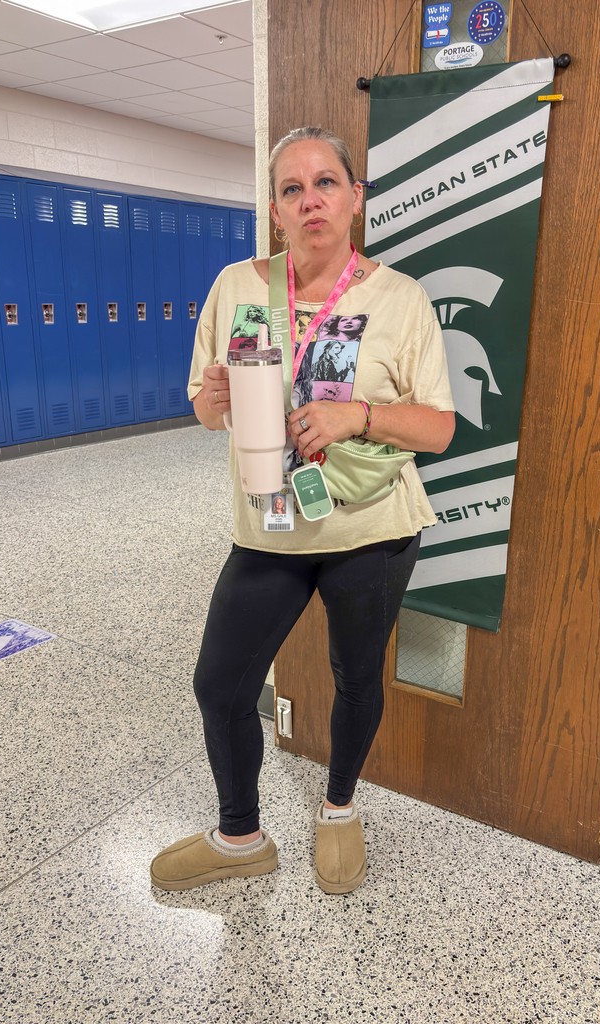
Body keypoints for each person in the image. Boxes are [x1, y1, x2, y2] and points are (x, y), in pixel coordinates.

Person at [150, 126, 455, 896]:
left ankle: (340, 808)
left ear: (356, 198)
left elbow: (439, 427)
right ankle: (239, 834)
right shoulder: (236, 288)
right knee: (220, 686)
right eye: (292, 188)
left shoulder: (400, 298)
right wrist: (210, 402)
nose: (310, 198)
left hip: (372, 531)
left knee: (356, 679)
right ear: (277, 210)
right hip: (269, 528)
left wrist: (357, 416)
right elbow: (203, 403)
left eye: (326, 183)